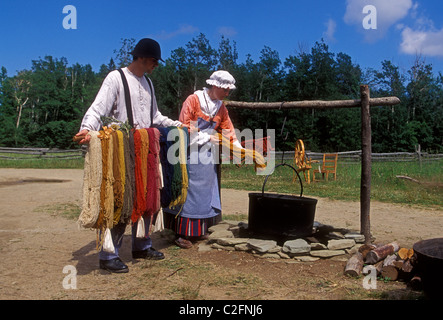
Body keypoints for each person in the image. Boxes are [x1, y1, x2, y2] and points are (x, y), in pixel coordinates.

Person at [75, 38, 182, 273]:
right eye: (154, 60)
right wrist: (87, 128)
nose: (156, 65)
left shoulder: (149, 84)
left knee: (147, 197)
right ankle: (108, 254)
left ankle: (142, 245)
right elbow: (97, 108)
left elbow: (156, 116)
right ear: (142, 57)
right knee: (120, 200)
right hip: (121, 148)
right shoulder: (116, 78)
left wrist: (177, 124)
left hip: (146, 148)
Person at [164, 70, 243, 249]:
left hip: (207, 156)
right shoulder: (193, 100)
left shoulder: (220, 107)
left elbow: (228, 130)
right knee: (189, 190)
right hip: (190, 152)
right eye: (225, 89)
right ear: (215, 86)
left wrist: (240, 151)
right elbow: (185, 130)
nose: (227, 93)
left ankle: (198, 230)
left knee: (205, 192)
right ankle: (181, 233)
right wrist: (208, 137)